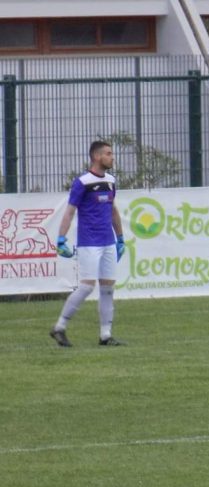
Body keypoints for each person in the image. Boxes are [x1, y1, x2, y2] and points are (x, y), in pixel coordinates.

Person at [50, 140, 126, 347]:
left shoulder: (110, 180)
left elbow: (113, 211)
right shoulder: (82, 182)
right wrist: (61, 238)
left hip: (108, 242)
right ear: (96, 157)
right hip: (89, 243)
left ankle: (105, 335)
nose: (112, 157)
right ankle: (59, 327)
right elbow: (69, 211)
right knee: (86, 287)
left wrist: (120, 238)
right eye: (108, 153)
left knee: (108, 288)